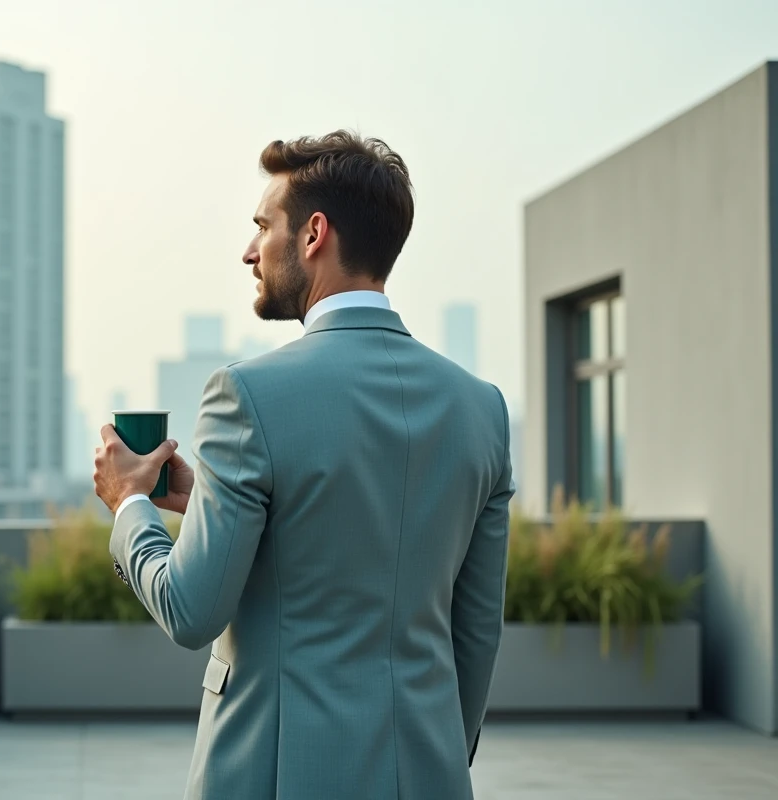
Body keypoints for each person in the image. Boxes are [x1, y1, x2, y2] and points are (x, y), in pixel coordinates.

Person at [93, 130, 514, 800]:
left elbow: (190, 609)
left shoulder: (248, 395)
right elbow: (476, 630)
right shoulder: (481, 409)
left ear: (314, 234)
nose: (249, 250)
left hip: (276, 775)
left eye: (263, 225)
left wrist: (129, 506)